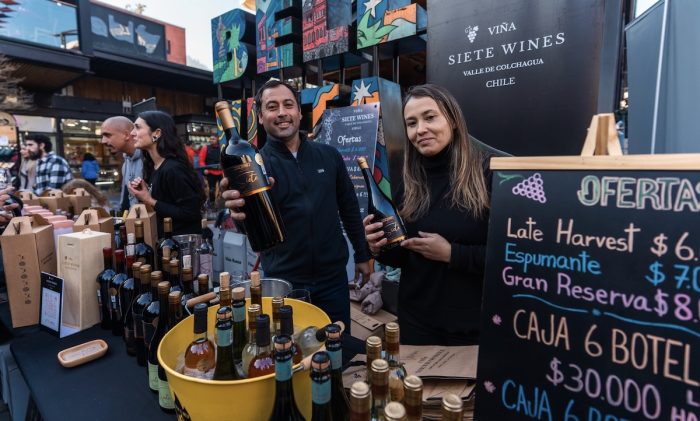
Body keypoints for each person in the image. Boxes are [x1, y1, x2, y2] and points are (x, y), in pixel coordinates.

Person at [222, 79, 371, 330]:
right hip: (284, 282)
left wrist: (363, 254)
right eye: (272, 106)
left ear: (299, 112)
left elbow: (349, 208)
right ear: (260, 117)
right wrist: (238, 214)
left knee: (337, 351)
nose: (282, 112)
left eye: (288, 105)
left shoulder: (329, 155)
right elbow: (253, 229)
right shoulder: (252, 166)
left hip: (333, 279)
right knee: (289, 354)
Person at [364, 84, 499, 346]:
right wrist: (379, 247)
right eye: (411, 123)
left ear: (453, 120)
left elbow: (510, 258)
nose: (420, 129)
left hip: (472, 328)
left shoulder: (487, 174)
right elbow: (405, 255)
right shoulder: (409, 181)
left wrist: (452, 254)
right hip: (416, 323)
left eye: (430, 117)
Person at [127, 110, 204, 236]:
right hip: (166, 242)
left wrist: (149, 199)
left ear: (156, 133)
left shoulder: (173, 169)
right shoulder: (155, 167)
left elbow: (191, 213)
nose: (132, 133)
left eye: (138, 127)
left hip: (182, 247)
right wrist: (145, 193)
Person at [100, 116, 143, 213]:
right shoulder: (126, 163)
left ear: (126, 135)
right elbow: (126, 200)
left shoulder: (148, 160)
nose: (103, 141)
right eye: (102, 136)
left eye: (108, 135)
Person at [198, 134, 223, 205]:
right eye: (210, 139)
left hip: (221, 172)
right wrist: (205, 169)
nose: (211, 140)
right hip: (210, 172)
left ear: (217, 139)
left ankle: (221, 204)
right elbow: (201, 160)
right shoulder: (205, 148)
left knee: (223, 189)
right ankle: (212, 204)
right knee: (212, 189)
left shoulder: (221, 147)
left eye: (213, 139)